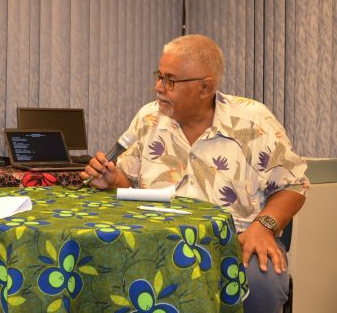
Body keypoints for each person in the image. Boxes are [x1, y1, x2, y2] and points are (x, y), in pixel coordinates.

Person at [81, 34, 309, 312]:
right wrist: (112, 180)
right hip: (154, 239)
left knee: (260, 283)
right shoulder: (149, 117)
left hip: (232, 240)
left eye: (170, 80)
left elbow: (293, 186)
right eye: (159, 76)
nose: (158, 87)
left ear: (205, 87)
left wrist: (263, 228)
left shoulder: (253, 120)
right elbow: (127, 180)